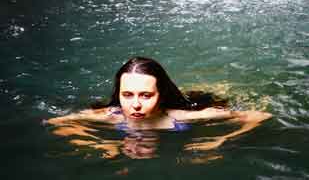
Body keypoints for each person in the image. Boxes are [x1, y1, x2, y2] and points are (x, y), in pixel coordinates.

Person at [46, 57, 272, 157]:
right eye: (127, 95)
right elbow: (56, 123)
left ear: (161, 94)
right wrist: (100, 145)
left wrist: (220, 140)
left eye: (145, 95)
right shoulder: (111, 116)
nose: (135, 104)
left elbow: (259, 116)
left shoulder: (183, 117)